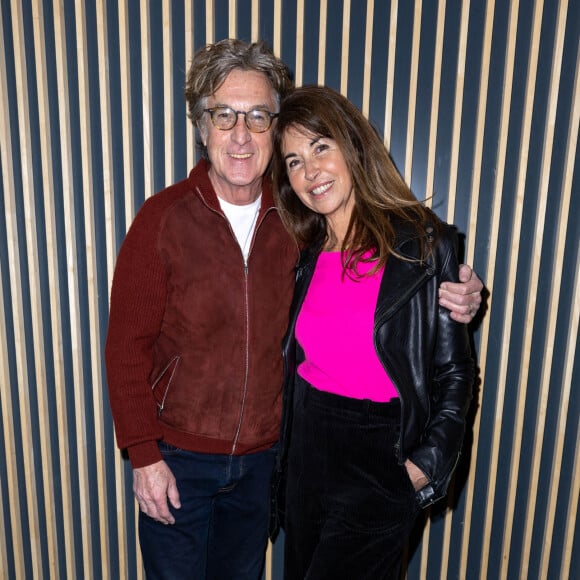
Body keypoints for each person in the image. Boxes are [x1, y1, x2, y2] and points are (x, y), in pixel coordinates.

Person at [105, 39, 482, 579]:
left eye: (258, 116)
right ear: (200, 126)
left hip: (270, 463)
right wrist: (143, 454)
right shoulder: (164, 220)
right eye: (223, 115)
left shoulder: (297, 228)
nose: (240, 134)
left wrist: (463, 292)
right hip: (184, 462)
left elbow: (438, 354)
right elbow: (125, 347)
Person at [269, 85, 476, 579]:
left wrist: (426, 463)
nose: (310, 171)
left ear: (353, 144)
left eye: (321, 147)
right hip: (306, 448)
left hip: (380, 454)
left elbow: (456, 372)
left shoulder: (424, 246)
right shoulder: (303, 253)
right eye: (294, 161)